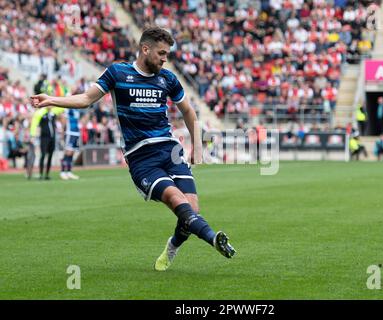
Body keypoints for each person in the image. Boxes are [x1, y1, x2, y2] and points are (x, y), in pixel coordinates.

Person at [31, 27, 236, 271]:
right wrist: (51, 99)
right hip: (141, 157)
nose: (164, 58)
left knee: (192, 210)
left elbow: (189, 112)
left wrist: (197, 148)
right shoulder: (118, 73)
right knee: (174, 198)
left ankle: (172, 245)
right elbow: (86, 99)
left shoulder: (168, 78)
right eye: (161, 53)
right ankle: (213, 238)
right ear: (145, 49)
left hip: (170, 150)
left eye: (167, 54)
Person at [30, 107, 65, 180]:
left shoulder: (53, 113)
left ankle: (47, 174)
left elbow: (62, 108)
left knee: (50, 155)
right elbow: (34, 124)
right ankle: (40, 173)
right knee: (43, 155)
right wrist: (32, 135)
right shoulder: (41, 113)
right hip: (44, 138)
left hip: (52, 137)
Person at [60, 109, 81, 180]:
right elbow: (63, 118)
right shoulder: (68, 108)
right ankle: (62, 172)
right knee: (67, 152)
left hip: (76, 132)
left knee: (72, 153)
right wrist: (63, 131)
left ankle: (69, 171)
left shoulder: (76, 109)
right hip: (69, 132)